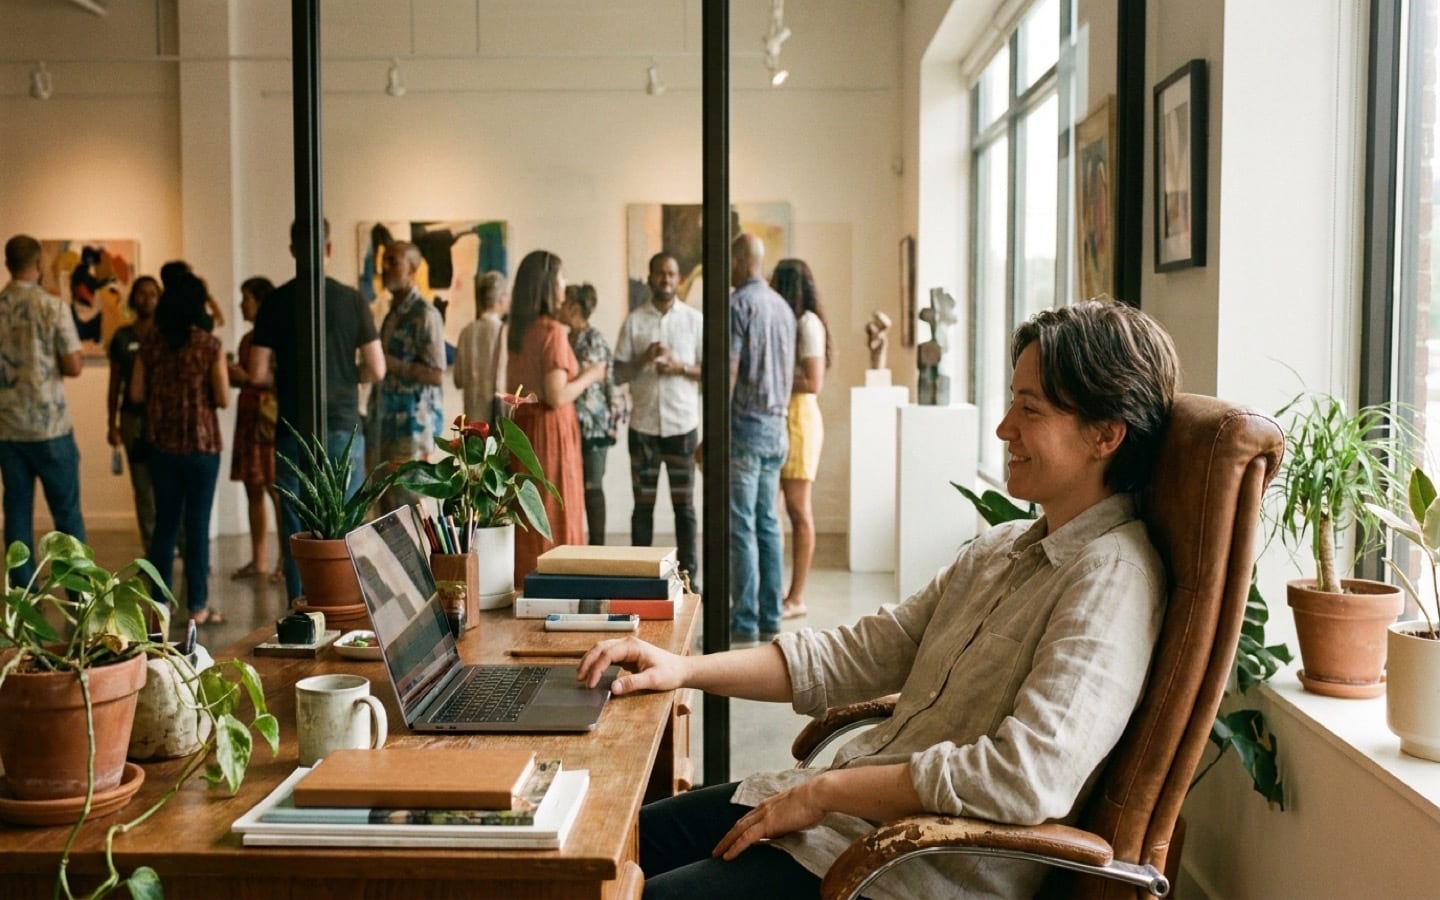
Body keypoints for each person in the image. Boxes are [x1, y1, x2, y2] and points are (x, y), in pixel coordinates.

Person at [577, 299, 1180, 900]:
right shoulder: (1001, 550)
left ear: (1106, 434)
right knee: (603, 849)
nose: (1004, 430)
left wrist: (824, 792)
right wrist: (682, 669)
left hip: (904, 873)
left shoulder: (1112, 579)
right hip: (841, 829)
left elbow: (1024, 777)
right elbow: (858, 653)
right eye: (1011, 403)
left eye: (1031, 409)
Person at [250, 217, 385, 602]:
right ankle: (348, 606)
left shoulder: (274, 302)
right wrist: (343, 374)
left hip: (292, 427)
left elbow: (258, 371)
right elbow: (376, 368)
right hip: (342, 423)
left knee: (297, 527)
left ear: (292, 250)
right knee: (346, 521)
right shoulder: (352, 300)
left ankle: (303, 609)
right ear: (329, 249)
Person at [133, 265, 229, 625]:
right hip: (202, 447)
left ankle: (159, 606)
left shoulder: (150, 346)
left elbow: (137, 393)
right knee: (198, 525)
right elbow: (222, 397)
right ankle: (198, 607)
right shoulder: (209, 346)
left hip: (162, 446)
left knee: (165, 526)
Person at [506, 249, 607, 580]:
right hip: (549, 433)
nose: (566, 284)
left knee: (530, 512)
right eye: (562, 277)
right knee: (553, 512)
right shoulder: (551, 332)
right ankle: (557, 587)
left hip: (524, 429)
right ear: (549, 284)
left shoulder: (520, 331)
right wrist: (592, 375)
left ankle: (529, 583)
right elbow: (556, 395)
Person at [614, 251, 704, 583]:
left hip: (682, 427)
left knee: (685, 508)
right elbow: (618, 373)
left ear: (678, 279)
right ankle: (641, 576)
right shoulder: (635, 321)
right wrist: (643, 358)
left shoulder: (695, 321)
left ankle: (689, 577)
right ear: (650, 277)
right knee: (643, 507)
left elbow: (710, 370)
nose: (665, 280)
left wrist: (679, 366)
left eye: (671, 274)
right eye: (659, 274)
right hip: (644, 429)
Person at [0, 234, 85, 584]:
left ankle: (23, 596)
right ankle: (79, 596)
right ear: (38, 265)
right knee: (66, 516)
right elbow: (75, 365)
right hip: (50, 427)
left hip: (7, 429)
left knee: (17, 514)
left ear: (7, 264)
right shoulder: (53, 307)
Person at [726, 232, 795, 643]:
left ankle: (745, 620)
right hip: (778, 429)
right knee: (768, 522)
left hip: (747, 430)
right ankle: (772, 615)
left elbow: (730, 375)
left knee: (742, 525)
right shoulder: (783, 308)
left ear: (739, 261)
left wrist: (713, 432)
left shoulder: (739, 305)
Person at [773, 260, 833, 620]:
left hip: (799, 419)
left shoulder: (807, 323)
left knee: (798, 510)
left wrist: (772, 380)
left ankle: (797, 596)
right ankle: (782, 591)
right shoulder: (795, 321)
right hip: (785, 416)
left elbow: (814, 382)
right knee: (777, 511)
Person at [371, 240, 446, 512]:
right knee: (384, 499)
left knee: (409, 498)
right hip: (385, 420)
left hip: (413, 424)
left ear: (412, 269)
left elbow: (437, 375)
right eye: (384, 261)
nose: (385, 267)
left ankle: (422, 556)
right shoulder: (391, 313)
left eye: (393, 261)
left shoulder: (425, 315)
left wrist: (392, 364)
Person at [228, 276, 282, 581]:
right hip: (250, 417)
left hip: (267, 421)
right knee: (253, 489)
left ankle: (282, 563)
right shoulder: (248, 339)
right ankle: (259, 559)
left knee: (276, 491)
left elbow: (275, 378)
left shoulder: (274, 336)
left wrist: (248, 376)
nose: (241, 304)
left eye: (246, 298)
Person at [562, 282, 622, 545]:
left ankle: (598, 549)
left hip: (594, 426)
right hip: (571, 424)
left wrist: (614, 422)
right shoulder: (565, 338)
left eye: (564, 303)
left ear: (574, 307)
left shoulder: (593, 339)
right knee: (573, 487)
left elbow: (601, 380)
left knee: (592, 486)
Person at [106, 274, 161, 550]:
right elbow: (115, 382)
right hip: (132, 418)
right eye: (141, 293)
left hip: (163, 418)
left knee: (166, 484)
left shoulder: (164, 334)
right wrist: (112, 423)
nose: (146, 299)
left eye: (152, 294)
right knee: (142, 487)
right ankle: (150, 552)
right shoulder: (122, 336)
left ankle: (175, 547)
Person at [454, 270, 510, 425]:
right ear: (502, 298)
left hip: (471, 416)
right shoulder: (503, 332)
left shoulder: (466, 332)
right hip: (496, 417)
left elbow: (458, 379)